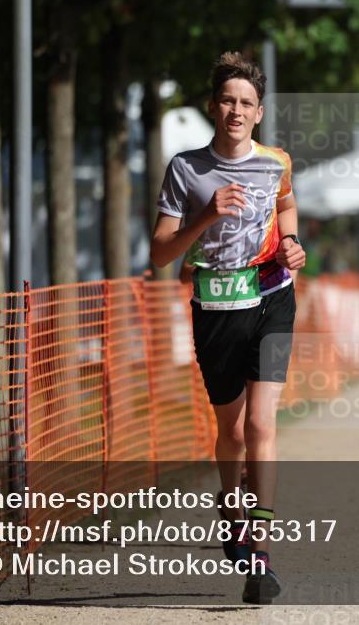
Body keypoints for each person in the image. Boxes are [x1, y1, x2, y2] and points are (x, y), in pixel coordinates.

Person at [150, 51, 304, 604]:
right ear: (214, 107)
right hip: (216, 306)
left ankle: (261, 553)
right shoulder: (185, 169)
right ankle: (231, 504)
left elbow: (285, 209)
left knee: (263, 424)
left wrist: (290, 244)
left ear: (258, 113)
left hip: (272, 297)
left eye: (247, 104)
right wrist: (208, 214)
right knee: (233, 432)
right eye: (228, 102)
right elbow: (161, 253)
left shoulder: (277, 162)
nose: (236, 111)